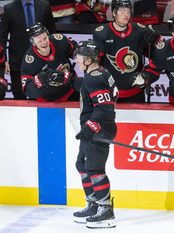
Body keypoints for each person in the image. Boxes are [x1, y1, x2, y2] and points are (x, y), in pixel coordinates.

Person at [73, 40, 118, 229]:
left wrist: (90, 125)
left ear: (89, 59)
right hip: (95, 127)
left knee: (95, 169)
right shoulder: (99, 73)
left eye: (79, 57)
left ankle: (105, 209)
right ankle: (93, 204)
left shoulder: (93, 77)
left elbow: (105, 107)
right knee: (82, 164)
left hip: (99, 128)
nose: (76, 61)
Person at [93, 0, 161, 103]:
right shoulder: (102, 33)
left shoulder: (139, 30)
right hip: (110, 92)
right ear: (114, 13)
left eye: (128, 11)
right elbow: (95, 64)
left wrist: (155, 40)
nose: (126, 14)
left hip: (136, 92)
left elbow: (159, 54)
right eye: (122, 11)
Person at [0, 0, 56, 99]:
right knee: (19, 98)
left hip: (42, 62)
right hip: (18, 63)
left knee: (44, 97)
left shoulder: (44, 5)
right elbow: (2, 36)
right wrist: (4, 59)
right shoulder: (9, 8)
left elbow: (52, 32)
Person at [20, 23, 80, 101]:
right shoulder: (29, 61)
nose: (44, 43)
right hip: (48, 101)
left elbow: (76, 52)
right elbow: (27, 90)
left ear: (48, 35)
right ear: (33, 43)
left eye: (45, 38)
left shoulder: (59, 40)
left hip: (71, 91)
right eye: (39, 41)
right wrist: (42, 78)